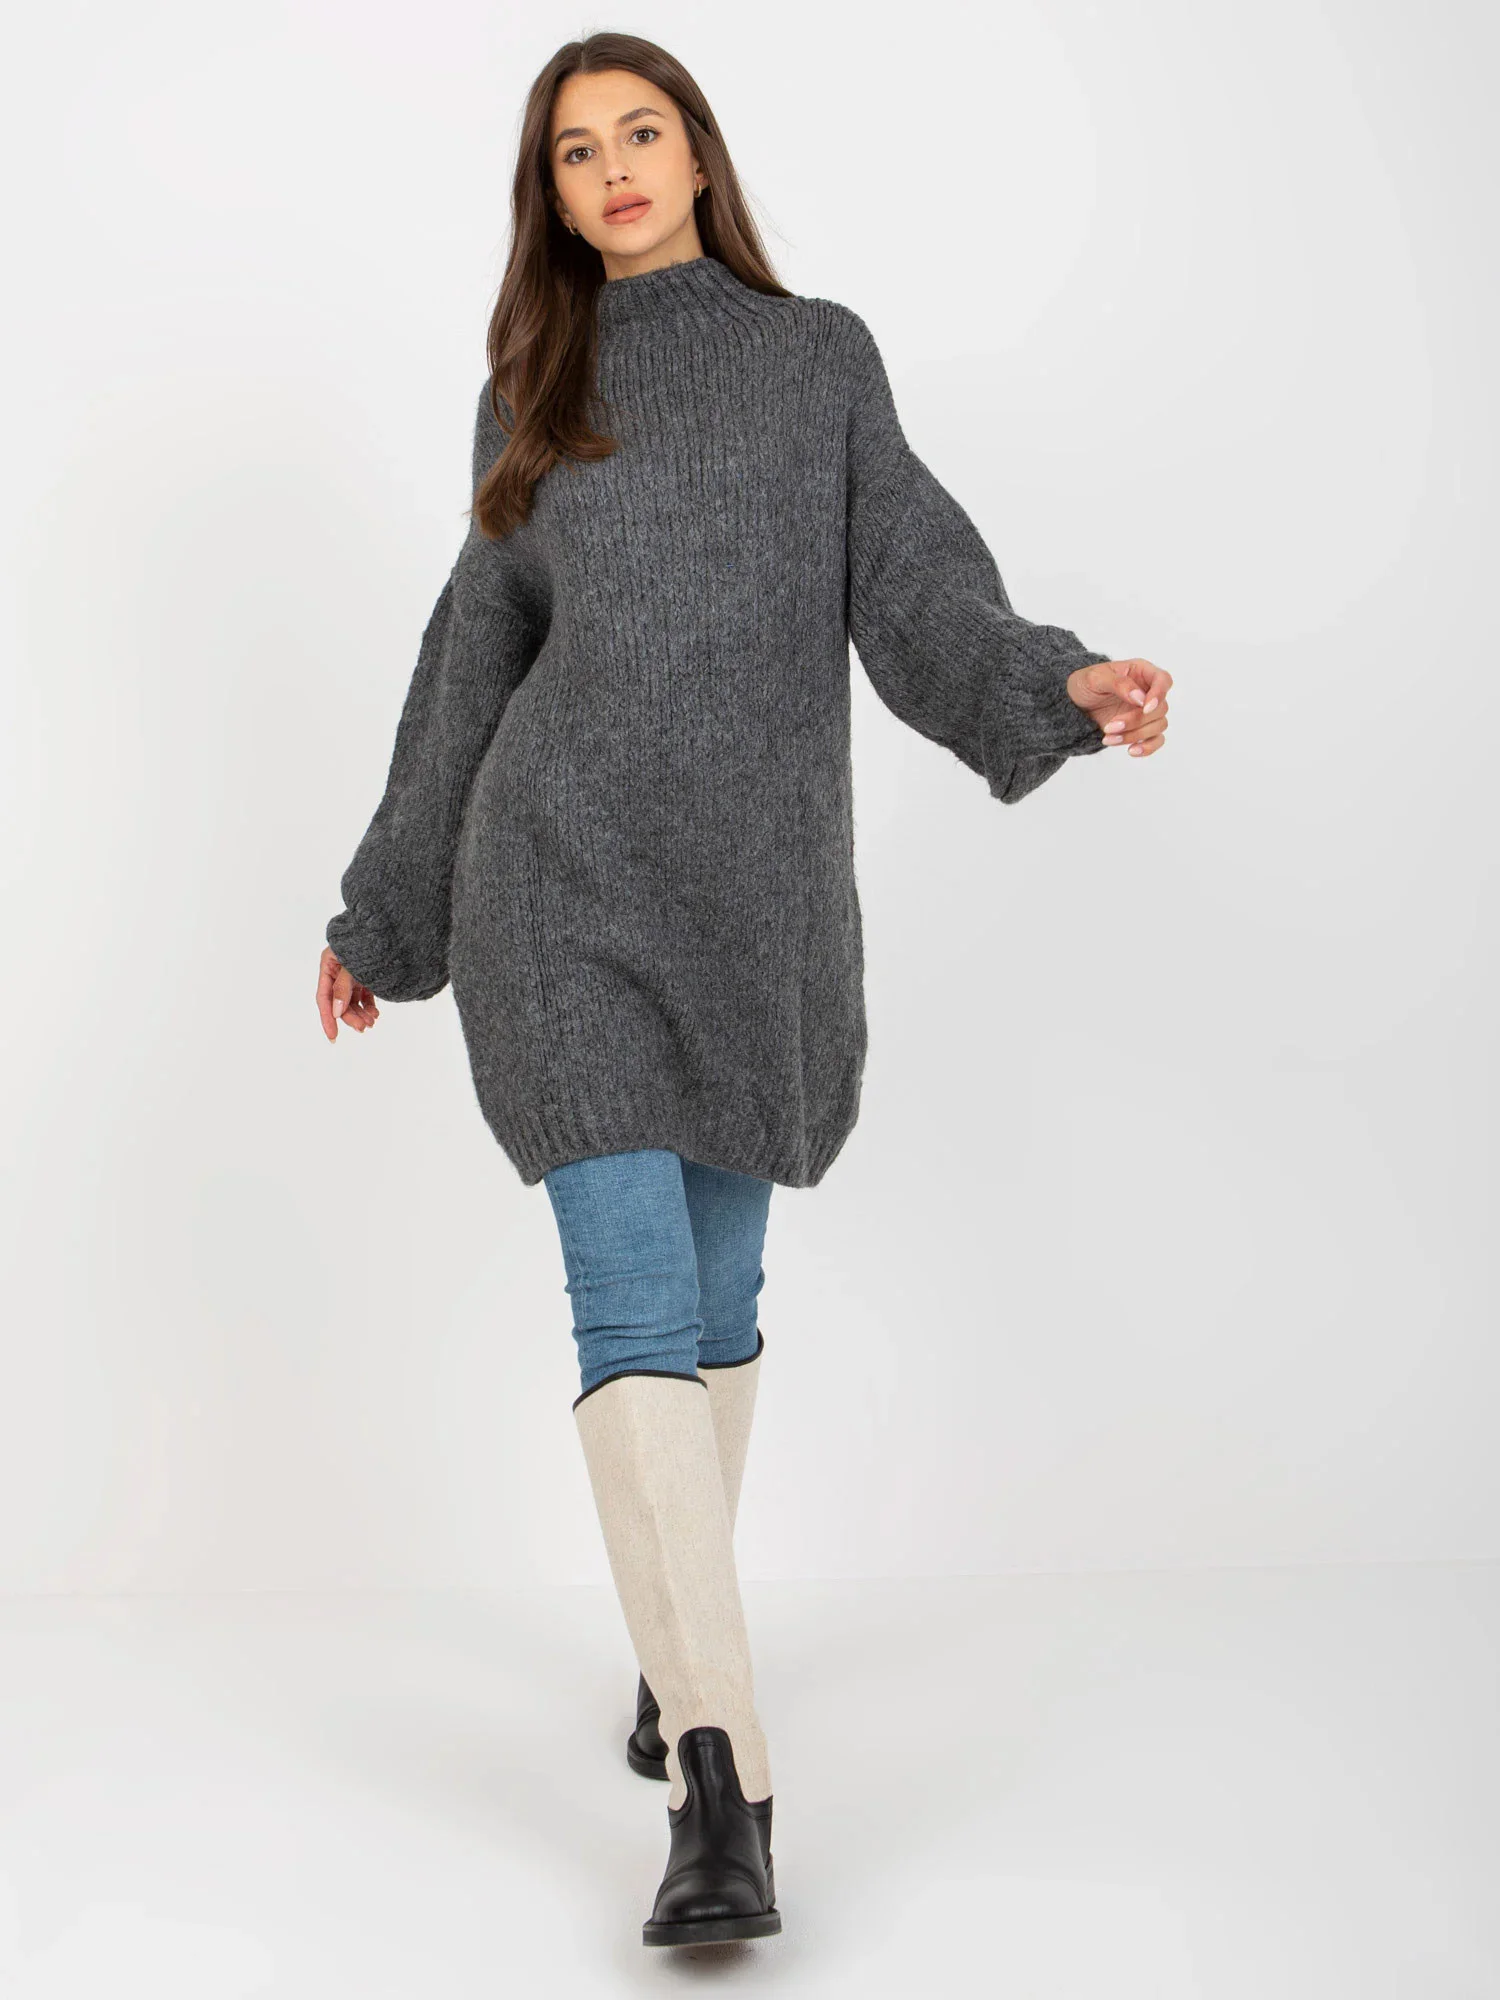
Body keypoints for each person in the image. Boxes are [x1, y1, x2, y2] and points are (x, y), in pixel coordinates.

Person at [315, 31, 1170, 1952]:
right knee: (628, 1299)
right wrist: (387, 912)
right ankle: (725, 1784)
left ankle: (667, 1640)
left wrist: (1056, 682)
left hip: (753, 907)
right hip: (560, 892)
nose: (613, 169)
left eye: (642, 133)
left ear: (699, 156)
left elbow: (917, 586)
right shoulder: (531, 391)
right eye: (575, 152)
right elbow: (473, 655)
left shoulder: (817, 362)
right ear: (549, 197)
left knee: (715, 1309)